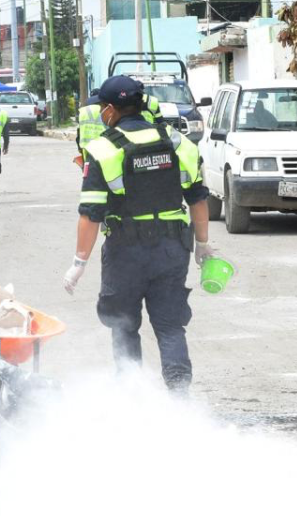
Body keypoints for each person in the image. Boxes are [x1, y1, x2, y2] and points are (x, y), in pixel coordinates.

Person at [63, 76, 212, 393]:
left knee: (124, 325)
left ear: (109, 109)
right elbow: (198, 198)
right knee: (170, 326)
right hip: (172, 247)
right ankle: (180, 396)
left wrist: (79, 263)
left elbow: (91, 215)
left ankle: (132, 397)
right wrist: (203, 243)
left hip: (126, 252)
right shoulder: (177, 142)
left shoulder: (103, 149)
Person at [76, 89, 105, 168]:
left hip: (86, 148)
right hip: (103, 147)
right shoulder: (105, 110)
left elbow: (79, 131)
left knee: (88, 172)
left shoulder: (83, 111)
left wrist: (79, 148)